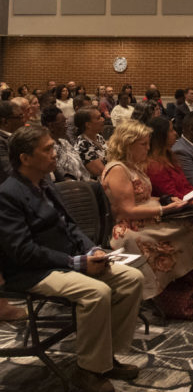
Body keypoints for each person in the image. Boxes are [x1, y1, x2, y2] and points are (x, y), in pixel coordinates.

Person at [0, 125, 143, 392]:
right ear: (25, 158)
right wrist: (75, 263)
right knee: (96, 292)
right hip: (33, 271)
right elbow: (22, 251)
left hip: (66, 259)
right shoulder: (8, 194)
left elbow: (70, 227)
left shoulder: (44, 183)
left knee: (132, 279)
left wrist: (93, 250)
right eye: (47, 149)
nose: (55, 154)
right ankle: (88, 371)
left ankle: (105, 357)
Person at [101, 120, 193, 312]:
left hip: (146, 220)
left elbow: (143, 198)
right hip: (130, 229)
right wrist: (164, 209)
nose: (148, 148)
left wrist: (165, 200)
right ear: (128, 144)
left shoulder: (132, 166)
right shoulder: (117, 169)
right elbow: (126, 210)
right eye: (143, 144)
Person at [41, 105, 93, 181]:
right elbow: (60, 175)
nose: (66, 126)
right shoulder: (49, 149)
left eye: (66, 121)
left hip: (85, 181)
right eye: (62, 122)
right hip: (71, 187)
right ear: (51, 126)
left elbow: (80, 167)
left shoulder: (65, 142)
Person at [74, 107, 108, 179]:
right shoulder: (83, 145)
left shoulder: (98, 136)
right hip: (98, 183)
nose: (103, 119)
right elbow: (101, 172)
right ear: (88, 125)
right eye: (98, 118)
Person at [0, 101, 27, 183]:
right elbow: (9, 171)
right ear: (5, 122)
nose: (24, 120)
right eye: (20, 117)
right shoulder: (1, 142)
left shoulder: (21, 135)